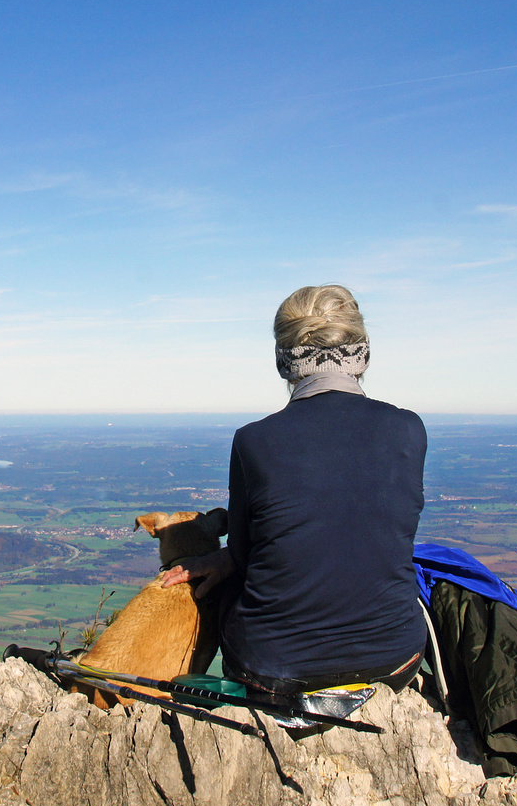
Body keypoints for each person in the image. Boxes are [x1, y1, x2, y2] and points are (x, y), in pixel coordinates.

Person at [160, 285, 427, 696]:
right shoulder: (409, 429)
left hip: (271, 672)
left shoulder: (254, 441)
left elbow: (245, 557)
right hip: (395, 661)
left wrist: (219, 559)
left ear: (284, 361)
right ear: (363, 354)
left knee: (224, 590)